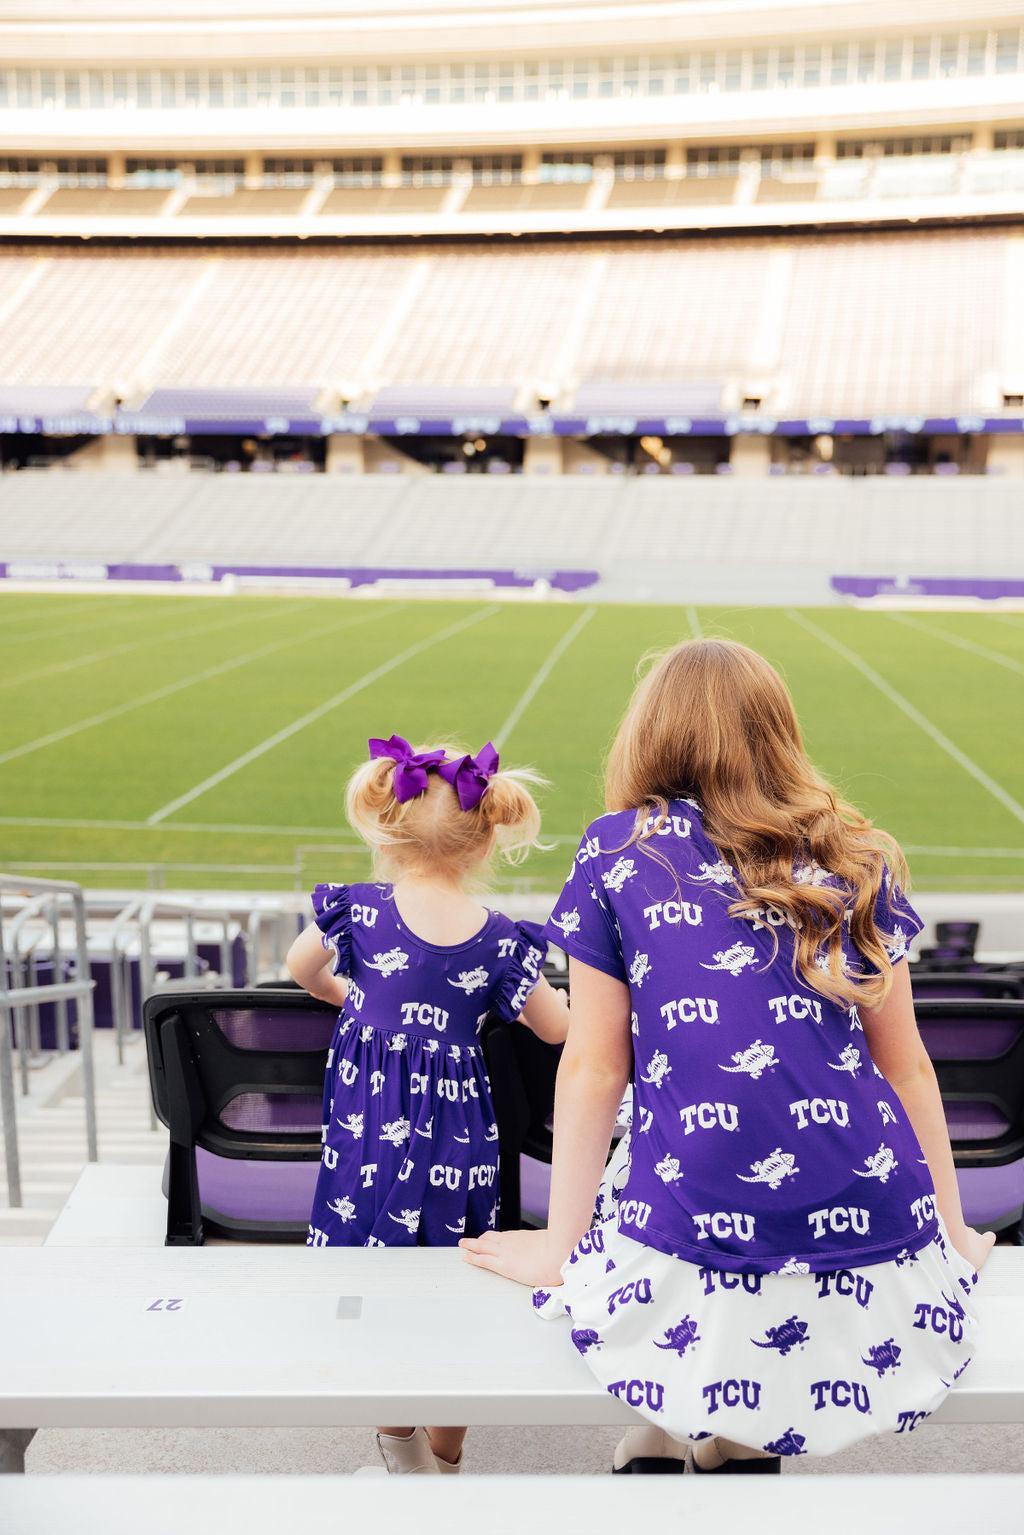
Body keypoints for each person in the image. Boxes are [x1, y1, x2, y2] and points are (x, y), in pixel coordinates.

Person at [461, 638, 993, 1473]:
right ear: (778, 732)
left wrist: (562, 1246)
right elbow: (908, 1068)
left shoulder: (617, 848)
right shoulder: (858, 852)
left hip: (696, 1226)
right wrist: (952, 1237)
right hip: (874, 1227)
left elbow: (597, 1067)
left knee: (659, 1139)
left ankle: (668, 1432)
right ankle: (729, 1444)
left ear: (649, 735)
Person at [287, 733, 568, 1476]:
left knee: (375, 1281)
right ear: (485, 843)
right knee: (457, 1282)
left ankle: (399, 1449)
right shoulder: (500, 940)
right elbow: (557, 1027)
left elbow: (301, 967)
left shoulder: (359, 910)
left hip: (370, 1136)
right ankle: (443, 1463)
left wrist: (354, 1000)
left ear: (386, 833)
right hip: (457, 1143)